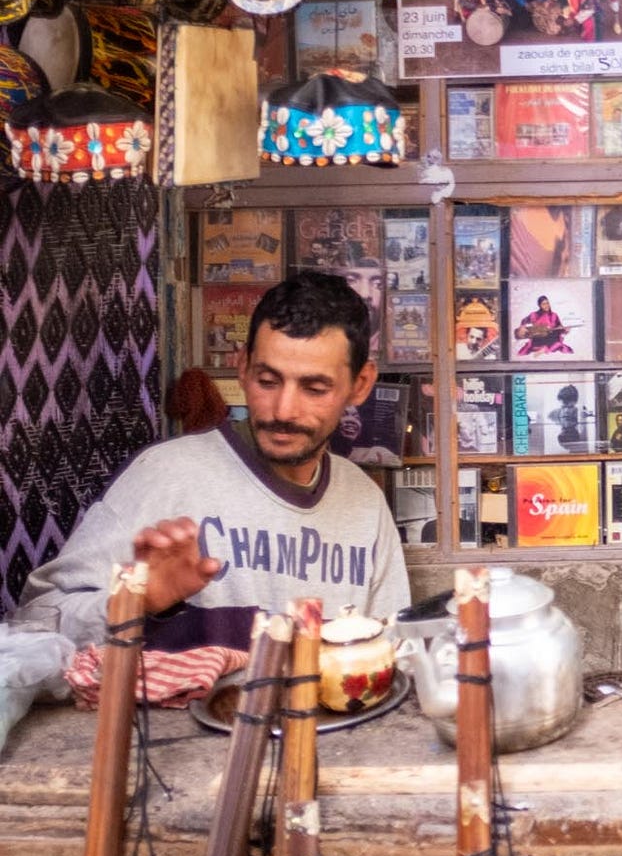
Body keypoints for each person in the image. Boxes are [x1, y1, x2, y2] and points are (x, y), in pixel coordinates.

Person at [16, 272, 410, 650]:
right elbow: (36, 621)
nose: (283, 410)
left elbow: (392, 649)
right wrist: (136, 603)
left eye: (314, 388)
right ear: (242, 367)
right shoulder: (168, 475)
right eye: (267, 381)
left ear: (360, 384)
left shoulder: (365, 503)